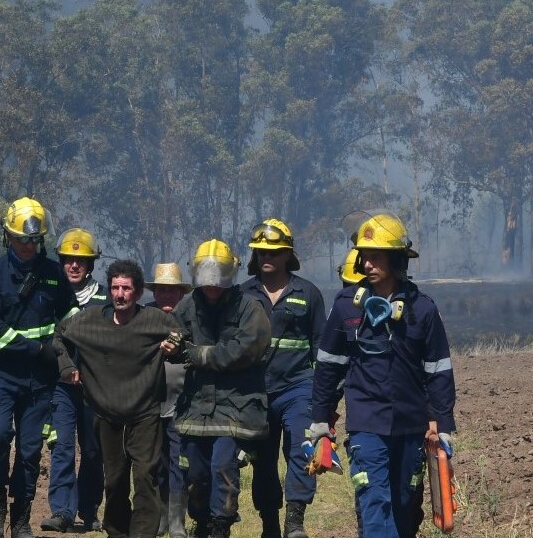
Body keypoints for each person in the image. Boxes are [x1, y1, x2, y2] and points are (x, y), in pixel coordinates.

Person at [310, 213, 457, 538]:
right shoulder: (346, 306)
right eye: (365, 256)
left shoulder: (423, 309)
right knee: (375, 503)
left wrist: (443, 425)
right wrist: (320, 421)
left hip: (411, 426)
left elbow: (439, 371)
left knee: (405, 512)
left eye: (376, 256)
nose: (368, 263)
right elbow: (328, 366)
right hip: (366, 427)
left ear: (396, 259)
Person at [53, 259, 180, 538]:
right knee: (115, 481)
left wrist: (173, 347)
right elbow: (58, 336)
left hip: (145, 414)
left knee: (146, 478)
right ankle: (118, 532)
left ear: (136, 292)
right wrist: (67, 367)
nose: (120, 294)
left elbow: (183, 335)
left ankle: (143, 533)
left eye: (126, 288)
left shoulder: (154, 320)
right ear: (109, 290)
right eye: (115, 288)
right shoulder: (90, 321)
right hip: (107, 415)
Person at [0, 197, 79, 538]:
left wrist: (69, 353)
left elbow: (71, 317)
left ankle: (20, 519)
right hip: (0, 373)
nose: (29, 246)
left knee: (31, 449)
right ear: (8, 237)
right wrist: (38, 350)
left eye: (35, 240)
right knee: (0, 433)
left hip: (39, 380)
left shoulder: (52, 275)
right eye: (23, 239)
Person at [162, 239, 271, 538]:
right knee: (195, 473)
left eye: (217, 278)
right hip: (196, 406)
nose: (211, 285)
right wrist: (171, 345)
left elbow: (246, 350)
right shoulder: (188, 306)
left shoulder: (250, 308)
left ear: (229, 274)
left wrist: (198, 354)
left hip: (236, 406)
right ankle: (202, 520)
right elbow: (175, 334)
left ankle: (221, 525)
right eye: (206, 278)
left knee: (223, 466)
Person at [241, 219, 326, 538]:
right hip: (255, 392)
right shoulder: (242, 294)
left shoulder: (309, 293)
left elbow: (321, 346)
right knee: (262, 461)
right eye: (262, 251)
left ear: (288, 255)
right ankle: (270, 523)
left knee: (300, 448)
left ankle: (295, 521)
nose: (268, 257)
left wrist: (325, 396)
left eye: (275, 252)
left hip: (298, 388)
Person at [41, 228, 107, 533]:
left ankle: (90, 509)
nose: (74, 265)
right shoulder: (50, 296)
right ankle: (63, 512)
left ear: (91, 264)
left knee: (94, 451)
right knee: (62, 446)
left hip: (96, 389)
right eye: (68, 259)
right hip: (61, 387)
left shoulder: (107, 298)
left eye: (81, 260)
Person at [146, 263, 194, 538]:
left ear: (180, 293)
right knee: (154, 463)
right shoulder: (144, 318)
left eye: (171, 291)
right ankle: (160, 516)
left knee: (179, 462)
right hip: (150, 405)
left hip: (181, 405)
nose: (166, 296)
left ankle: (177, 522)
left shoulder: (189, 319)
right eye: (161, 290)